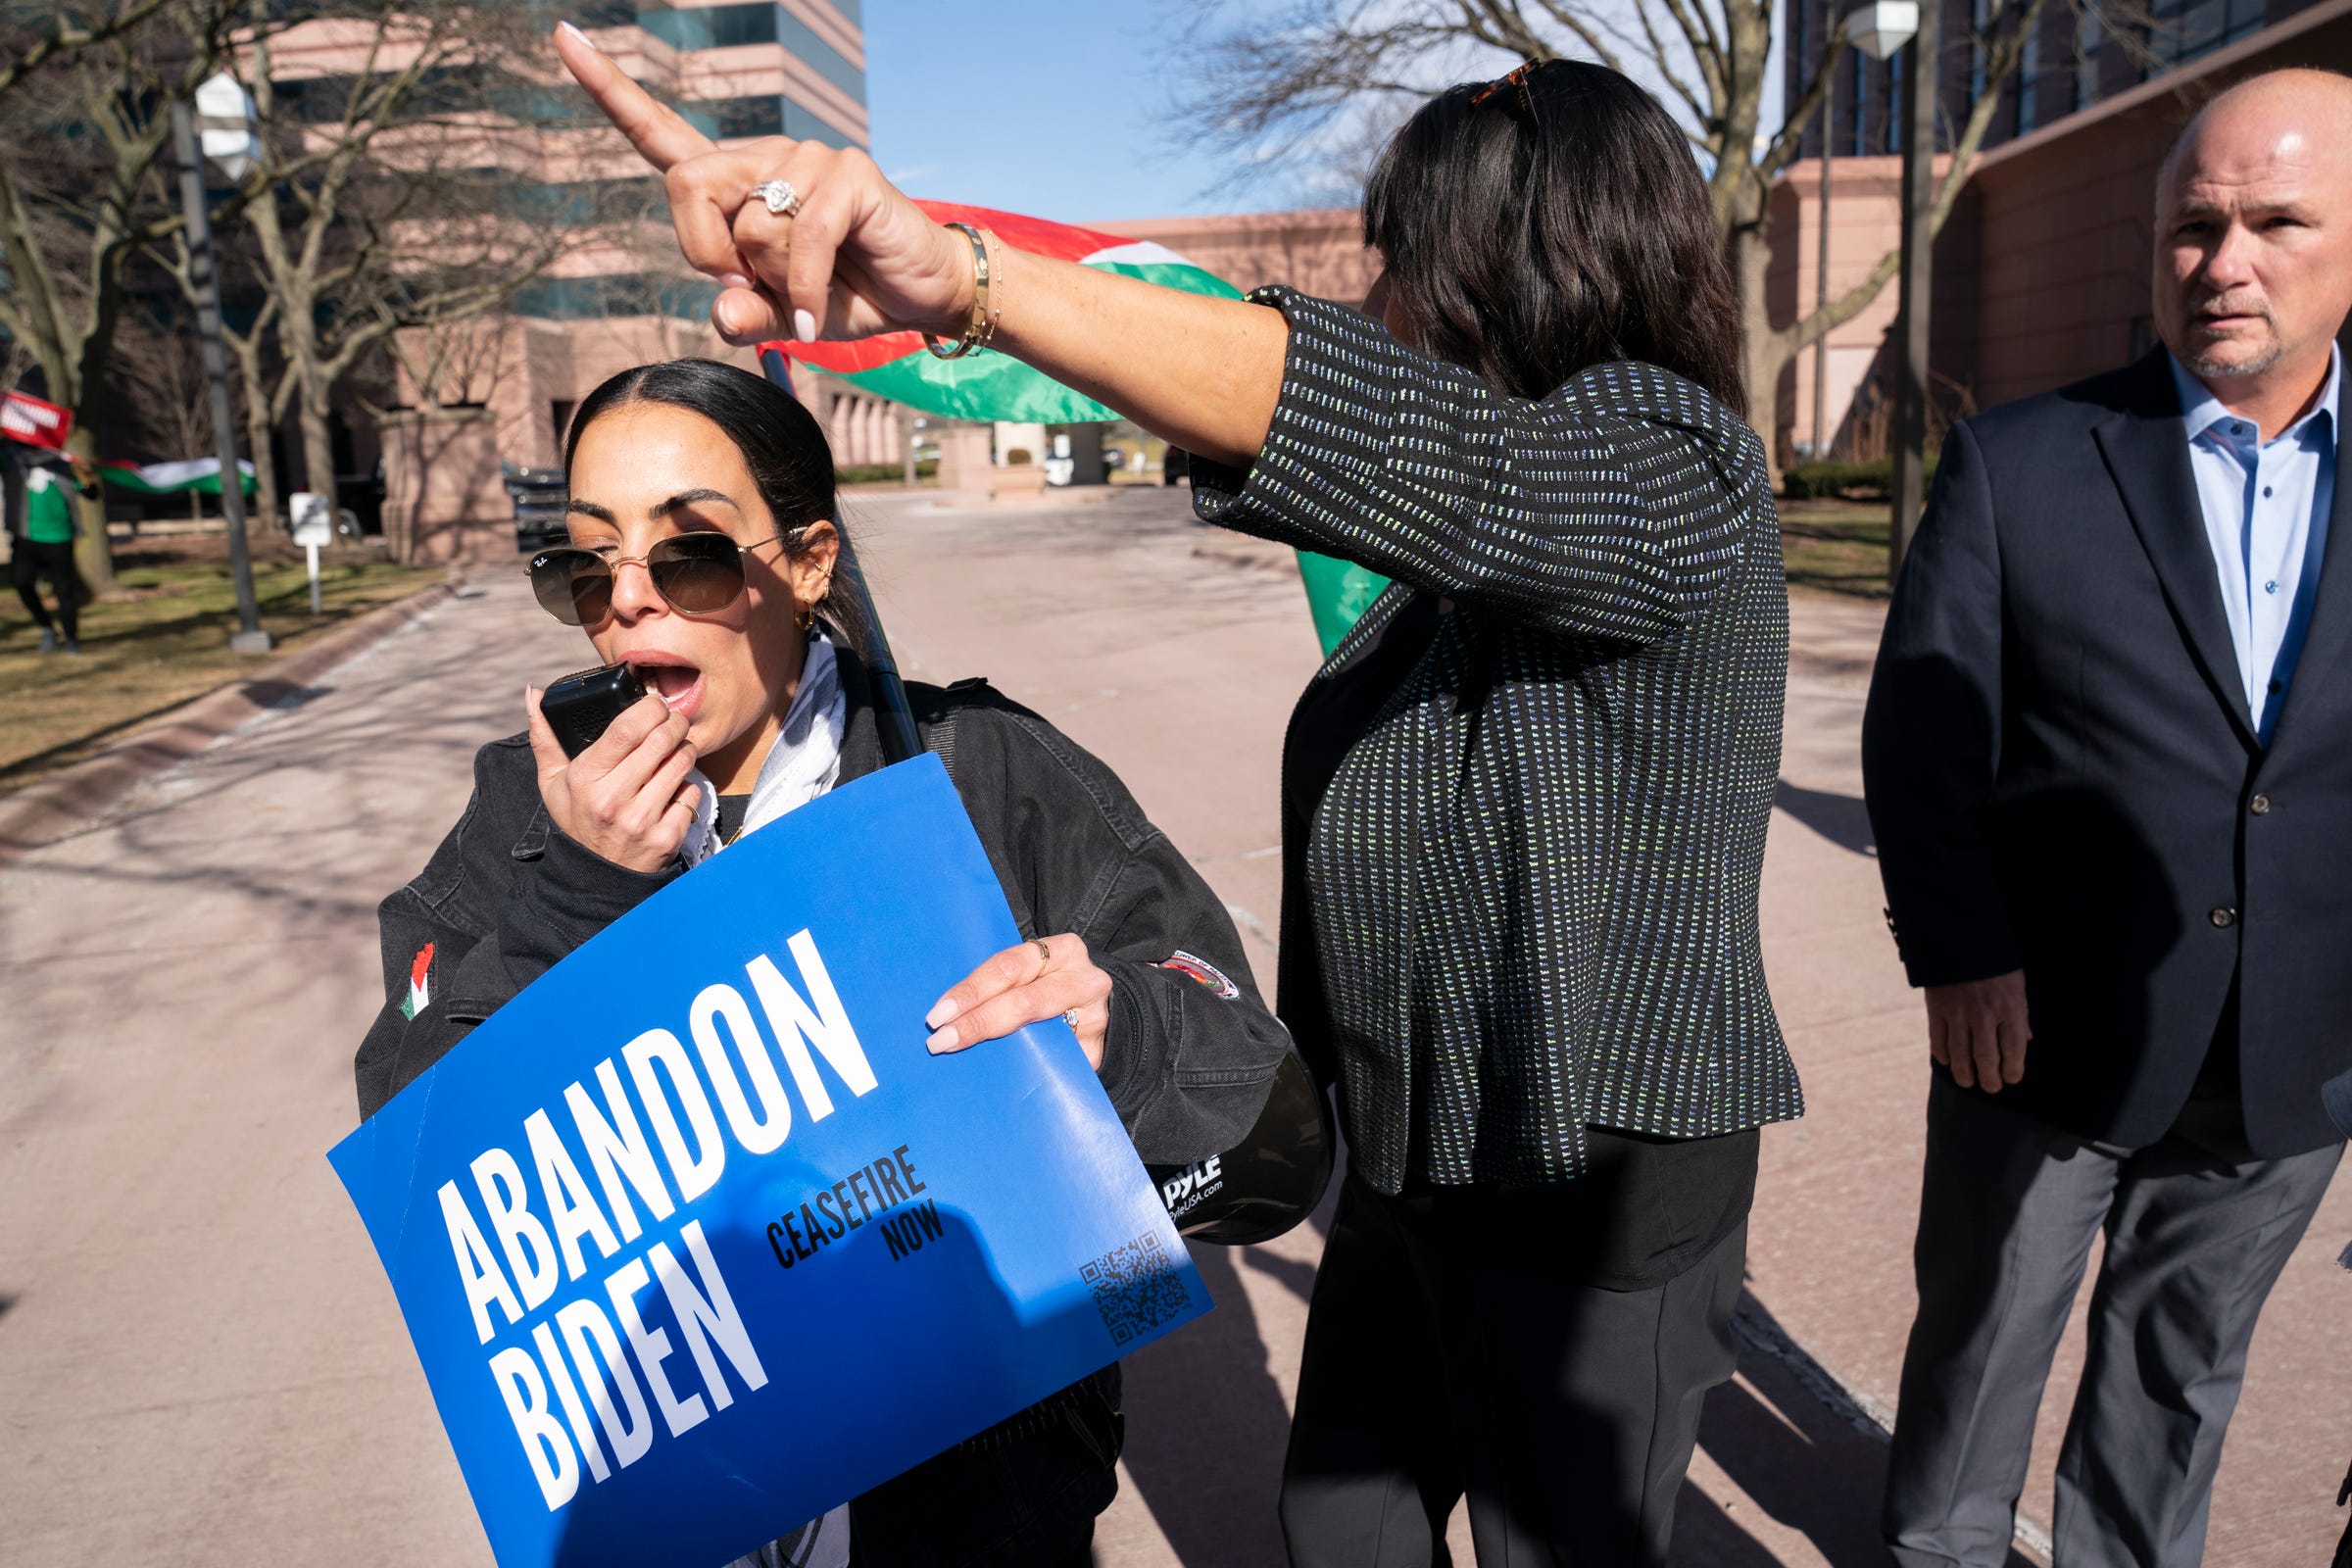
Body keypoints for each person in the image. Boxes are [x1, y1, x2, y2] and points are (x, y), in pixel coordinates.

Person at [556, 31, 1798, 1565]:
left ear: (1516, 276)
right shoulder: (1452, 574)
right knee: (1340, 1521)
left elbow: (1434, 461)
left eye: (1404, 262)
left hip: (1586, 1180)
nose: (1381, 302)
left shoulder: (1677, 475)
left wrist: (966, 278)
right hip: (1415, 1170)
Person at [351, 358, 1293, 1567]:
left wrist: (1132, 1039)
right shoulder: (520, 817)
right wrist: (574, 901)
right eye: (586, 564)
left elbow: (1272, 1148)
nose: (627, 602)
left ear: (805, 562)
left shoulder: (985, 773)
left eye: (686, 554)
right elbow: (429, 1180)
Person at [1862, 69, 2352, 1568]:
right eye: (2193, 229)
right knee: (1977, 1370)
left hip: (2287, 1056)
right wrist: (1959, 954)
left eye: (2278, 222)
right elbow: (1923, 734)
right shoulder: (2022, 462)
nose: (2226, 264)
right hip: (2034, 1040)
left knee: (2176, 1384)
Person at [11, 452, 95, 654]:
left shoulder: (63, 466)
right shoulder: (14, 463)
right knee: (21, 582)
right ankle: (47, 627)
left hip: (60, 539)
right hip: (26, 538)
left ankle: (71, 639)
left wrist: (85, 475)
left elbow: (92, 494)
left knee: (64, 591)